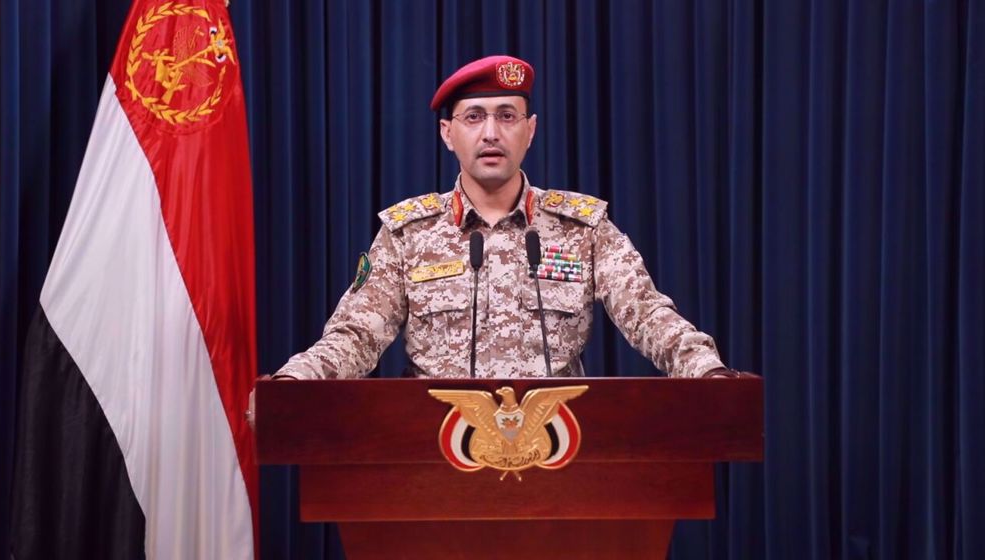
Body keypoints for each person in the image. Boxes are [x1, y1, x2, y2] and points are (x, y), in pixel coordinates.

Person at [270, 55, 735, 383]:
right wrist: (295, 381)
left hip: (556, 454)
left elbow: (650, 316)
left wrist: (707, 370)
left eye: (507, 116)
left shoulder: (582, 229)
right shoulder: (408, 235)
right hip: (434, 457)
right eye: (474, 117)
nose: (491, 133)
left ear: (529, 131)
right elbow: (355, 336)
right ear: (447, 134)